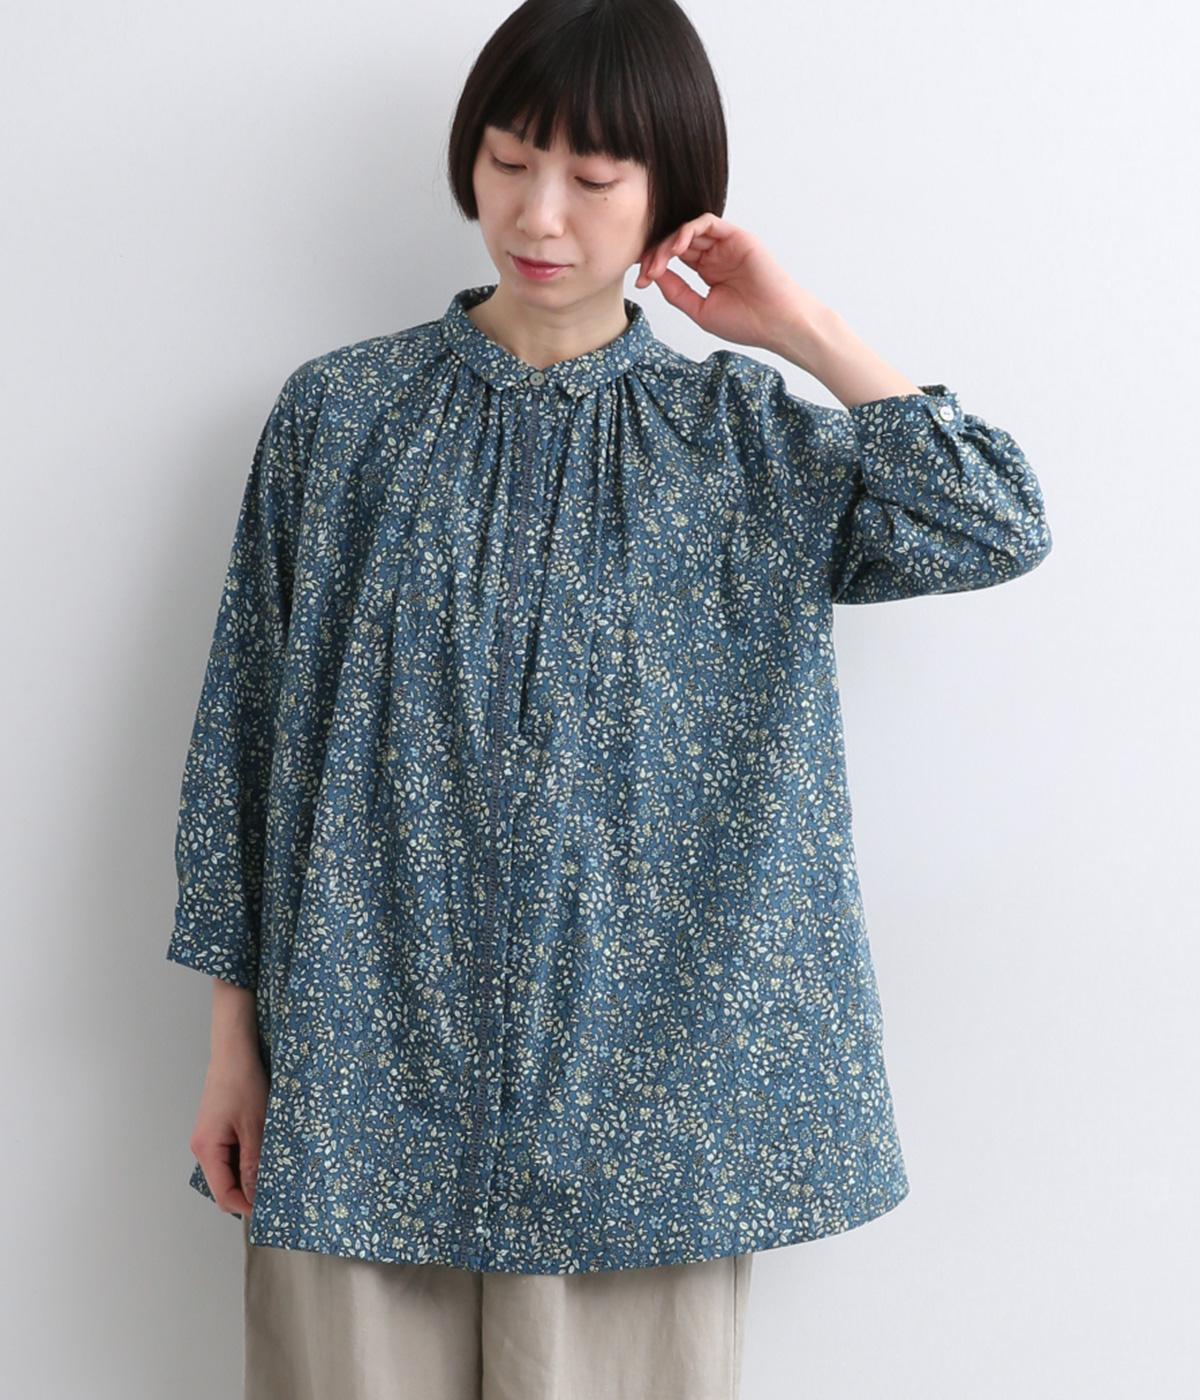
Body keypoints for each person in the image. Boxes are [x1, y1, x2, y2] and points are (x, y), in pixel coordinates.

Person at [166, 1, 1053, 1396]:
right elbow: (247, 736)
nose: (538, 215)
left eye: (592, 179)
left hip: (651, 1107)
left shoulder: (742, 442)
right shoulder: (340, 420)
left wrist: (803, 329)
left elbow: (995, 519)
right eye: (509, 161)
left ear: (668, 198)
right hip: (360, 1070)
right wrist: (234, 1044)